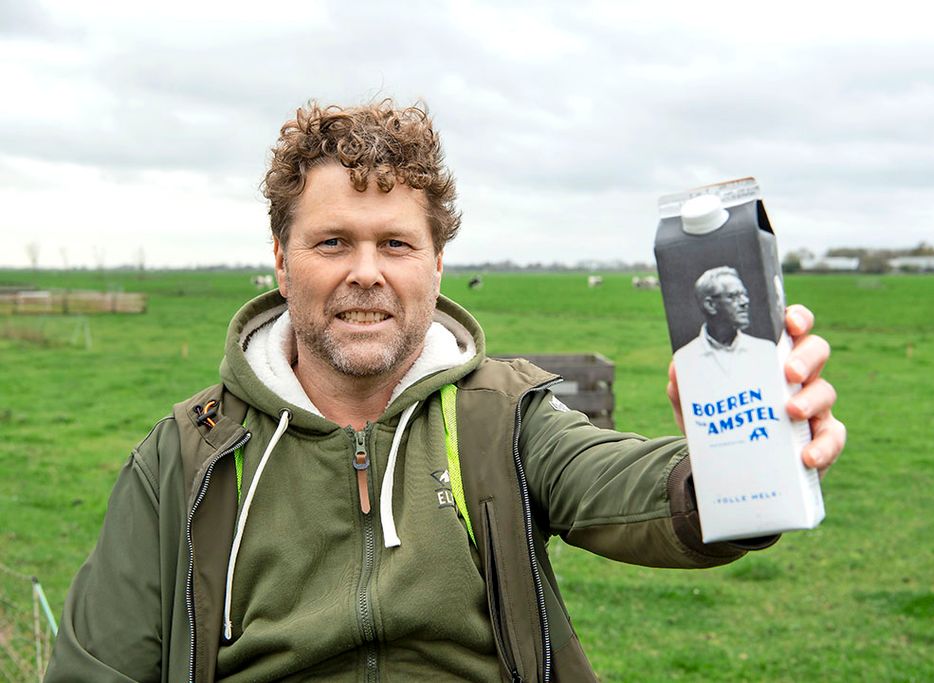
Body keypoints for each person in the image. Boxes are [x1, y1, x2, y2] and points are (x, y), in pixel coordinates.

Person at [46, 101, 846, 682]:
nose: (367, 271)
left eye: (396, 242)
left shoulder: (502, 416)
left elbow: (624, 486)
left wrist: (741, 455)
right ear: (283, 262)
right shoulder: (186, 455)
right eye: (333, 242)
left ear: (434, 265)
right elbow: (95, 668)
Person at [673, 266, 782, 380]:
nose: (745, 302)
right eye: (733, 296)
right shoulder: (685, 359)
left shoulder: (764, 350)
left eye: (744, 294)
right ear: (710, 305)